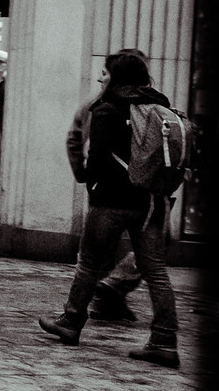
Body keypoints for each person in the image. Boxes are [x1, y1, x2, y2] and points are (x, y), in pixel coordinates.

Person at [40, 50, 181, 368]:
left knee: (88, 264)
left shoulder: (106, 109)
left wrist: (90, 183)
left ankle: (71, 321)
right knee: (156, 271)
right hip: (151, 202)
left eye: (105, 73)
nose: (101, 78)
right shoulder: (159, 106)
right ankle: (164, 341)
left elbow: (98, 157)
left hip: (112, 200)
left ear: (116, 76)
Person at [64, 52, 153, 323]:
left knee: (99, 253)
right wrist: (87, 176)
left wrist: (87, 177)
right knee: (101, 253)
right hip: (122, 190)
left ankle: (108, 294)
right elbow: (78, 138)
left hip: (110, 188)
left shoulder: (130, 104)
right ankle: (106, 297)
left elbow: (74, 139)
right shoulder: (101, 105)